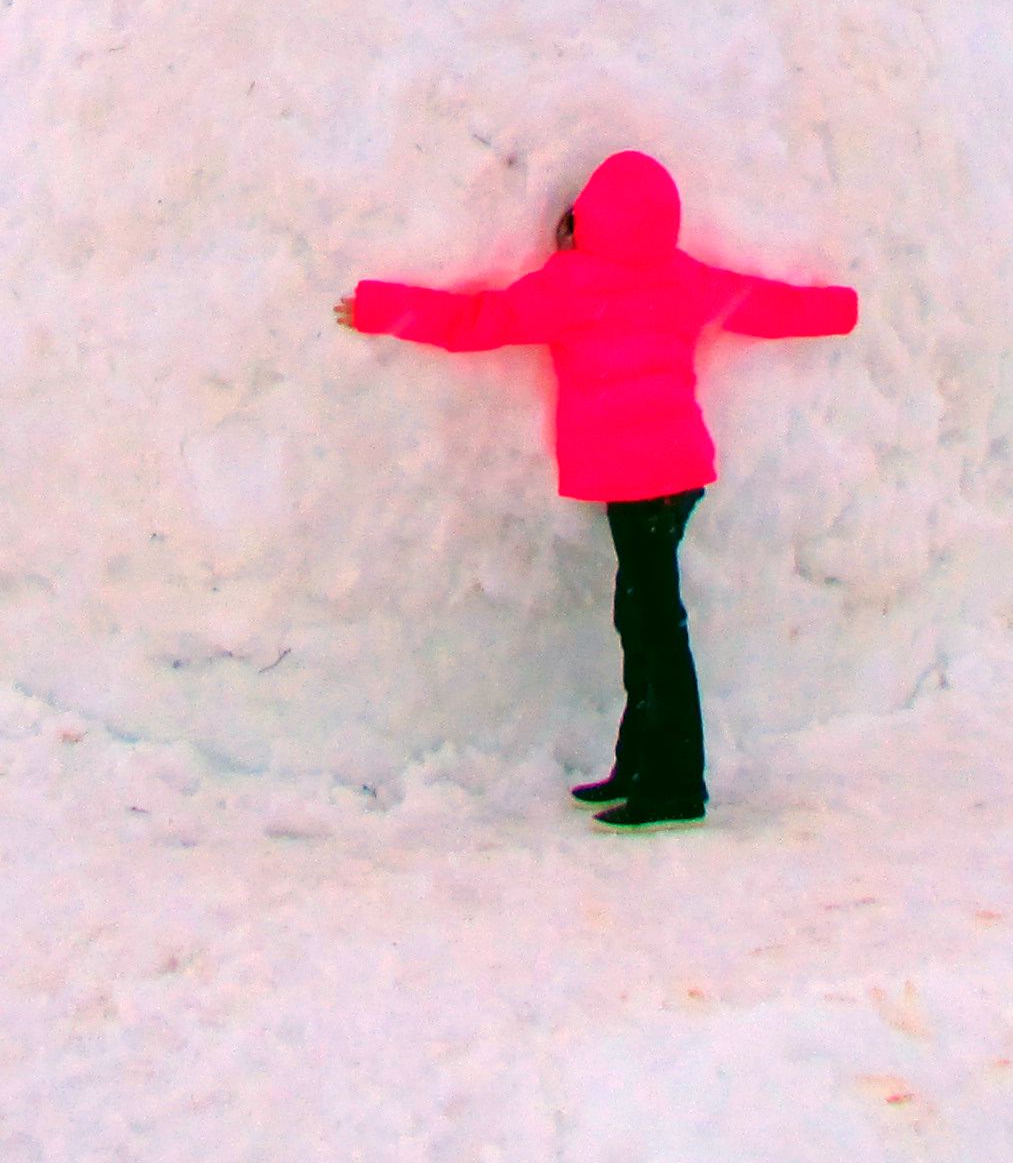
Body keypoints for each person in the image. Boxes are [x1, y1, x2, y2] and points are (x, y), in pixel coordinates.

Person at [337, 148, 858, 830]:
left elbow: (478, 322)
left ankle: (674, 781)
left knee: (654, 627)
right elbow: (762, 304)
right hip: (672, 476)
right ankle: (640, 763)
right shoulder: (678, 278)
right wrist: (840, 308)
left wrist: (380, 308)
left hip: (641, 484)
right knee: (642, 618)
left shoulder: (569, 287)